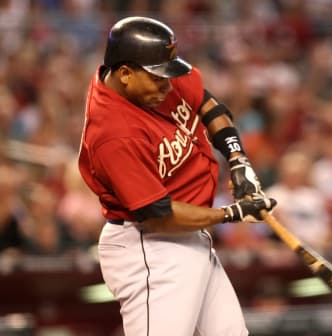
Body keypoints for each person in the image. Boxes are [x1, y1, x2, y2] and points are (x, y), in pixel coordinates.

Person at [77, 16, 276, 336]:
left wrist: (238, 159)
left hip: (189, 236)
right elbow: (157, 214)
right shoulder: (113, 133)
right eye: (158, 79)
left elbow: (208, 104)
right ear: (125, 73)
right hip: (150, 246)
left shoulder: (148, 75)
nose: (168, 86)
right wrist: (232, 213)